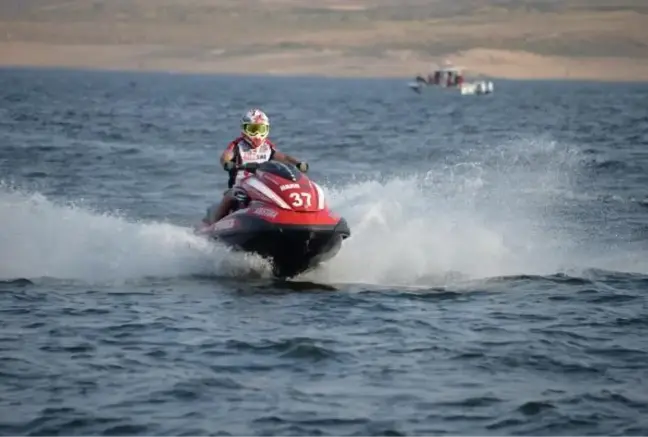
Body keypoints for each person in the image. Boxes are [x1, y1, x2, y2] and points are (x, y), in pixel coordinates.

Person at [203, 108, 309, 225]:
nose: (257, 134)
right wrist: (228, 163)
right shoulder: (237, 145)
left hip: (262, 185)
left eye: (260, 129)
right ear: (245, 129)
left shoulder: (267, 146)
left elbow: (283, 157)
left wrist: (298, 163)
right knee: (232, 196)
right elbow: (226, 156)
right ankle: (214, 226)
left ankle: (290, 217)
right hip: (241, 186)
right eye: (253, 129)